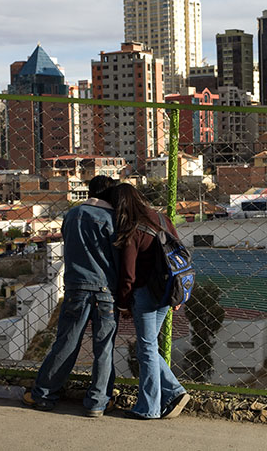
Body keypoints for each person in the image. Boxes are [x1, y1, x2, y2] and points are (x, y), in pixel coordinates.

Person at [22, 175, 119, 417]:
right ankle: (97, 402)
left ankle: (43, 394)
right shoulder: (113, 219)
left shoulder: (72, 215)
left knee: (66, 342)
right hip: (106, 290)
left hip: (76, 286)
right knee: (104, 347)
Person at [108, 183, 189, 420]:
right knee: (149, 347)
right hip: (166, 292)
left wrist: (123, 303)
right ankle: (173, 392)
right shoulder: (162, 219)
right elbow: (178, 256)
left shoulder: (131, 228)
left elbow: (128, 274)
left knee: (146, 349)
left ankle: (150, 408)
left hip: (144, 294)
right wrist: (178, 293)